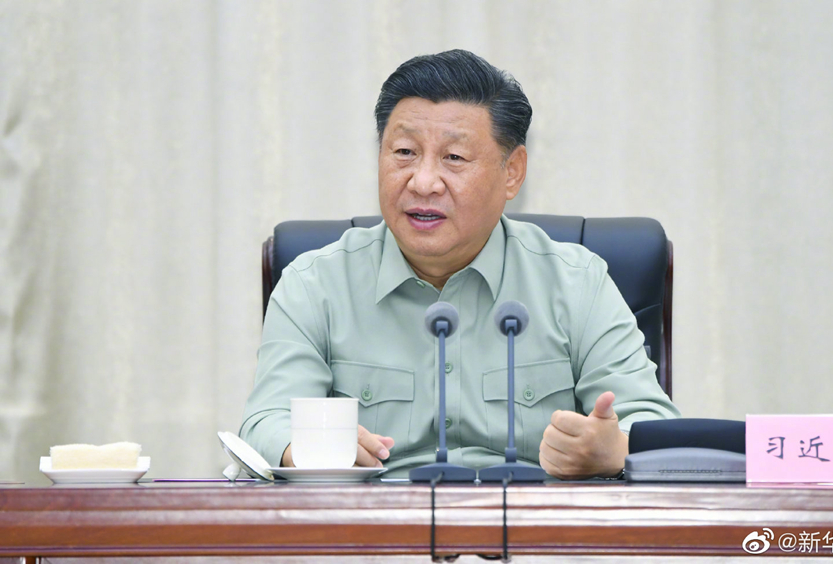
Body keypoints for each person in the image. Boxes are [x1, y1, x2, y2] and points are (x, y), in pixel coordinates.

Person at [241, 49, 679, 479]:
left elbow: (654, 425)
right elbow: (265, 424)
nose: (423, 182)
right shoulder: (315, 285)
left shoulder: (576, 282)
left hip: (529, 519)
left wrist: (613, 450)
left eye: (453, 158)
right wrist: (310, 449)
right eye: (404, 152)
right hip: (382, 521)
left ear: (512, 172)